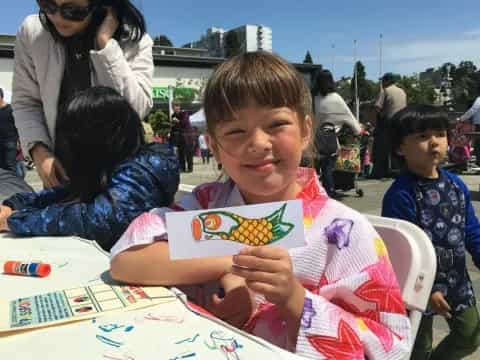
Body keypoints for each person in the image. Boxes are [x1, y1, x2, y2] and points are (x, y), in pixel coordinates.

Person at [110, 51, 411, 359]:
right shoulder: (207, 204)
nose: (257, 143)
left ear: (306, 130)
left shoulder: (343, 232)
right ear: (213, 145)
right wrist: (232, 264)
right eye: (236, 131)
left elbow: (390, 348)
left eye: (277, 124)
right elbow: (127, 259)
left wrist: (293, 299)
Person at [0, 87, 179, 251]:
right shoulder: (117, 163)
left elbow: (98, 221)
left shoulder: (146, 166)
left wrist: (14, 220)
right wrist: (15, 204)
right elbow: (68, 192)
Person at [12, 0, 154, 188]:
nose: (57, 17)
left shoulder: (135, 39)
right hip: (60, 176)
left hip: (120, 178)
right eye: (47, 5)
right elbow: (26, 101)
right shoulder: (32, 32)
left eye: (73, 11)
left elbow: (136, 110)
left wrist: (106, 46)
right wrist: (39, 150)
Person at [382, 105, 480, 360]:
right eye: (422, 137)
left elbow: (471, 229)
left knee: (469, 335)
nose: (434, 142)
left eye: (440, 133)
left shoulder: (456, 185)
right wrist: (429, 288)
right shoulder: (400, 194)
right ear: (400, 148)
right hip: (418, 285)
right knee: (418, 346)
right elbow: (399, 250)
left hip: (457, 281)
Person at [313, 69, 361, 197]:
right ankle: (330, 191)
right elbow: (348, 116)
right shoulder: (336, 98)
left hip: (316, 138)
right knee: (329, 165)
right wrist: (358, 130)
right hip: (332, 138)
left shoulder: (315, 98)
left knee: (320, 166)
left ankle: (320, 188)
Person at [371, 73, 407, 179]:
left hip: (388, 122)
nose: (382, 83)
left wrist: (380, 117)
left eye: (383, 81)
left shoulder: (385, 91)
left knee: (381, 148)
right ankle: (399, 170)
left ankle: (379, 172)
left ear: (386, 81)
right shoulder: (402, 91)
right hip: (402, 122)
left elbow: (377, 107)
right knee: (397, 147)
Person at [457, 89, 480, 166]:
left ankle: (479, 162)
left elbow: (473, 110)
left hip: (479, 124)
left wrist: (461, 118)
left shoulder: (479, 99)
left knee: (478, 143)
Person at [170, 102, 194, 172]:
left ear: (179, 107)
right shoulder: (173, 115)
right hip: (179, 137)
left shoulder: (184, 114)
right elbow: (174, 127)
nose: (175, 108)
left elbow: (184, 123)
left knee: (188, 153)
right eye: (174, 107)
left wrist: (177, 121)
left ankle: (190, 168)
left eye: (177, 106)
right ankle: (182, 168)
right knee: (181, 153)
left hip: (187, 136)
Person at [0, 88, 19, 173]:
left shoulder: (11, 109)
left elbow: (18, 126)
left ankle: (15, 185)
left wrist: (20, 142)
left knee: (10, 166)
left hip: (10, 142)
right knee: (2, 167)